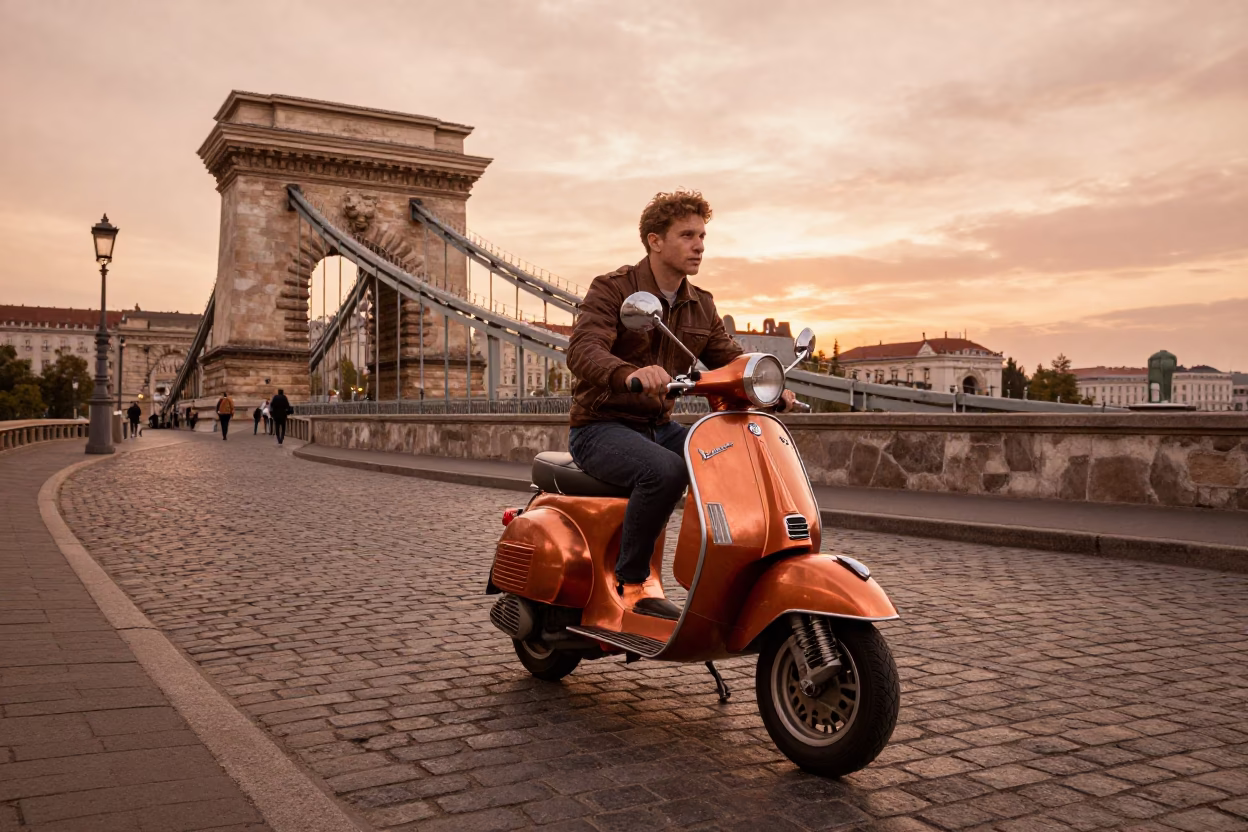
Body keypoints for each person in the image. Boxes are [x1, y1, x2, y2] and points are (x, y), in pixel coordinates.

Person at [565, 190, 795, 620]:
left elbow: (729, 359)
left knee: (731, 457)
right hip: (601, 426)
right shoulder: (613, 289)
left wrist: (770, 386)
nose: (700, 245)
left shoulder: (700, 303)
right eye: (687, 235)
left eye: (703, 236)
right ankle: (632, 581)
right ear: (655, 241)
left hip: (658, 426)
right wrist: (628, 373)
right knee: (664, 470)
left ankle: (727, 572)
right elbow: (583, 349)